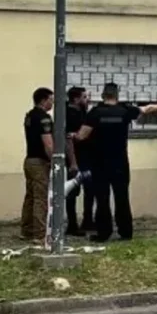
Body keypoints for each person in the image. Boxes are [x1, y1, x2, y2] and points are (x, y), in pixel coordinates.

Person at [72, 83, 157, 242]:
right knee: (122, 197)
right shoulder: (125, 110)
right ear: (117, 95)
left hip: (99, 163)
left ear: (103, 95)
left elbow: (82, 136)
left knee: (102, 199)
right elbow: (147, 109)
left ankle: (104, 233)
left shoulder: (95, 113)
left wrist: (73, 136)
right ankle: (126, 232)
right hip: (120, 162)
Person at [21, 87, 54, 243]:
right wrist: (54, 160)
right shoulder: (44, 118)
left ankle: (27, 230)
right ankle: (39, 235)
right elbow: (48, 143)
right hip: (40, 162)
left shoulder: (30, 115)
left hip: (29, 160)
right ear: (43, 100)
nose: (52, 103)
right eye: (51, 100)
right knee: (41, 198)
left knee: (30, 197)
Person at [65, 86, 95, 236]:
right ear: (76, 99)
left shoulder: (82, 112)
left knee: (90, 190)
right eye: (84, 97)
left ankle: (87, 220)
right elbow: (68, 139)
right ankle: (72, 225)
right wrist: (73, 162)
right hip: (76, 159)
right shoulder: (69, 114)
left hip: (87, 158)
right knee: (73, 191)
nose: (87, 99)